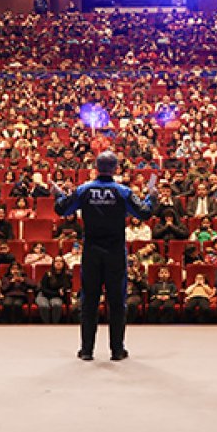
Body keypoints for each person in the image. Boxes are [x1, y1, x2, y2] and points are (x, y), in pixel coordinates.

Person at [53, 151, 153, 361]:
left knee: (89, 301)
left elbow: (61, 209)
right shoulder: (122, 191)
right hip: (115, 252)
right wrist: (152, 197)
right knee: (117, 302)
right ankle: (117, 350)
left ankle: (86, 350)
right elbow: (143, 212)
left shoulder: (84, 189)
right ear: (116, 168)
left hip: (91, 252)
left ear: (96, 167)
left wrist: (59, 194)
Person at [36, 256, 74, 324]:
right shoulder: (47, 274)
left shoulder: (67, 275)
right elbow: (44, 289)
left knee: (56, 304)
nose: (58, 263)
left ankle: (55, 324)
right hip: (44, 295)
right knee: (44, 305)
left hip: (56, 297)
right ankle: (46, 324)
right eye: (56, 261)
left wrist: (61, 291)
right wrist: (57, 293)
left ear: (63, 263)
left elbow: (67, 287)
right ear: (53, 263)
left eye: (60, 261)